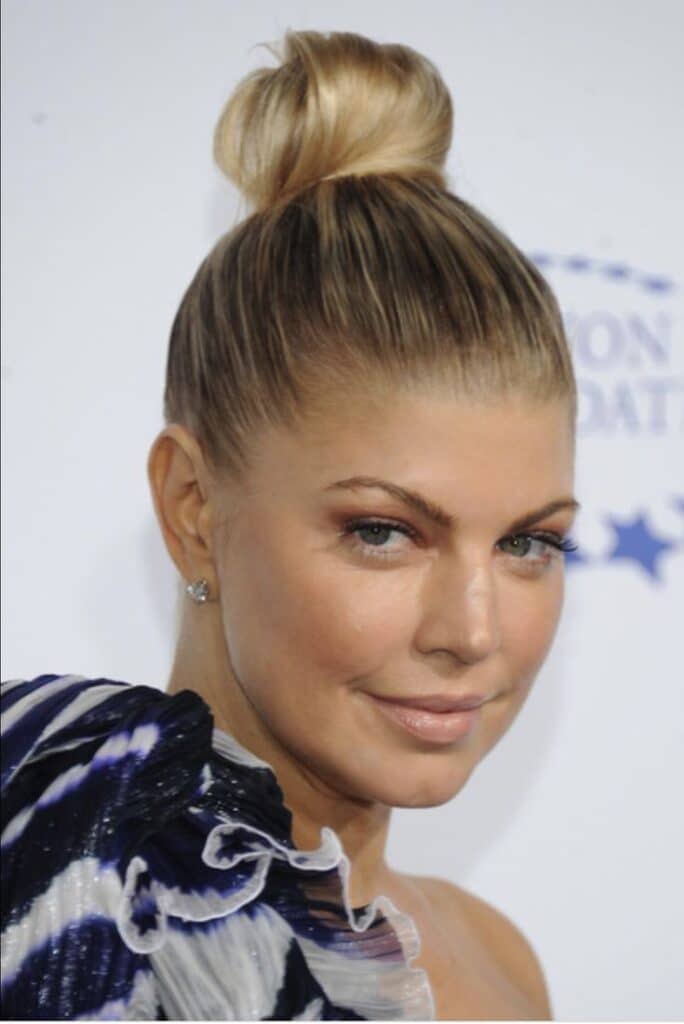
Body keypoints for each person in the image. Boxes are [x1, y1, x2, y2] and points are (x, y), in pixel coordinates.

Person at [1, 28, 580, 1021]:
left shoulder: (499, 961)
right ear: (193, 509)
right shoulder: (68, 868)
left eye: (529, 542)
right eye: (383, 532)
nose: (474, 631)